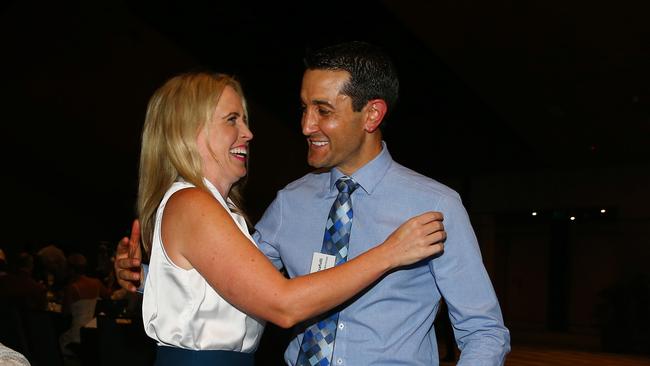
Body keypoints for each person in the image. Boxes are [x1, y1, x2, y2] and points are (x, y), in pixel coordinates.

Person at [117, 42, 510, 365]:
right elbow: (236, 283)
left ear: (371, 114)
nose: (306, 125)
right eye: (304, 109)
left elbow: (484, 331)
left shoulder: (435, 204)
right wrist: (153, 278)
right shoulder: (290, 202)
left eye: (323, 111)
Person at [59, 253, 112, 356]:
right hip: (95, 333)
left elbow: (65, 313)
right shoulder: (96, 283)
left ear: (71, 270)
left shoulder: (72, 288)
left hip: (77, 335)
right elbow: (109, 298)